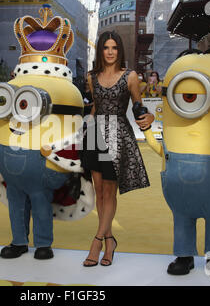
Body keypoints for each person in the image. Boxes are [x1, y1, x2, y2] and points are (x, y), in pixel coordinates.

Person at [82, 31, 154, 267]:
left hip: (117, 134)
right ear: (100, 51)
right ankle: (110, 240)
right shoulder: (91, 76)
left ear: (119, 50)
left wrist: (149, 116)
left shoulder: (130, 76)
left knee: (109, 192)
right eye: (106, 48)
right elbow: (94, 107)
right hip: (94, 134)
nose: (110, 52)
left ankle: (97, 241)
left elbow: (138, 105)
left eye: (114, 48)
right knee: (99, 191)